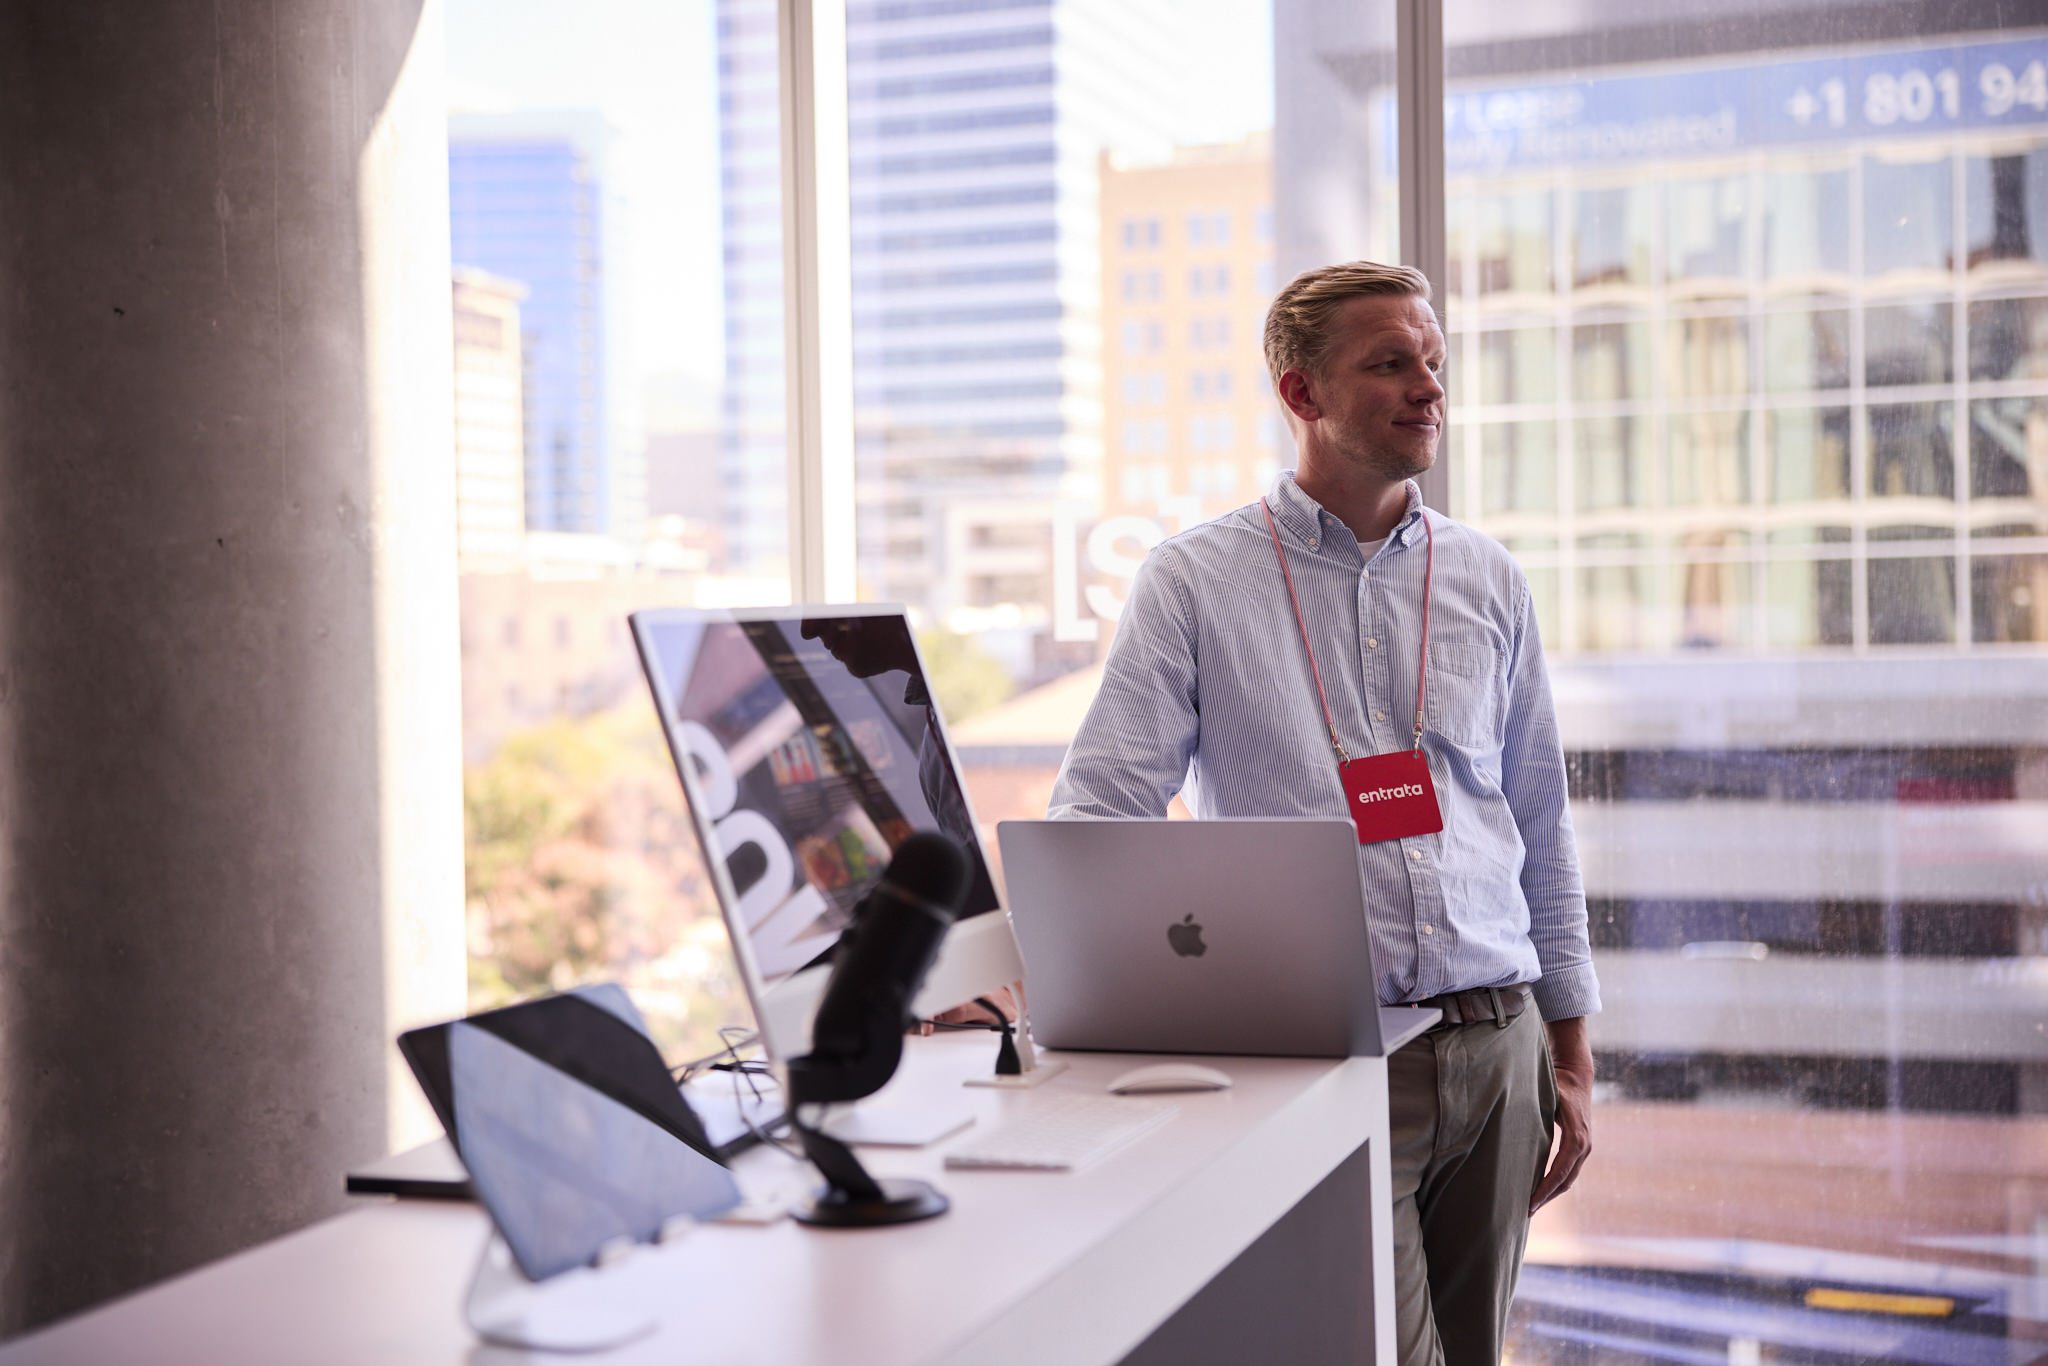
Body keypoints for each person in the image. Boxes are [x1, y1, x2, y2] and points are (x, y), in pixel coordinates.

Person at [1047, 260, 1599, 1366]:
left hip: (1498, 1048)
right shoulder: (1193, 580)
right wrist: (1033, 990)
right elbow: (1098, 810)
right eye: (1388, 363)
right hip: (1333, 1065)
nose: (1426, 388)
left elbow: (1538, 821)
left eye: (1432, 361)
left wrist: (1571, 1057)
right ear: (1301, 394)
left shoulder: (1487, 575)